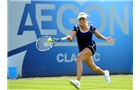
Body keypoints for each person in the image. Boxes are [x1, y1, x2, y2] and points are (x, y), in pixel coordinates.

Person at [66, 12, 115, 89]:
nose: (82, 20)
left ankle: (77, 81)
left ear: (86, 19)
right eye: (80, 19)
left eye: (83, 19)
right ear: (78, 20)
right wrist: (69, 38)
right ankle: (105, 73)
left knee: (78, 59)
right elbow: (71, 39)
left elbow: (98, 35)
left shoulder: (91, 27)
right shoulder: (76, 27)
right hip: (82, 49)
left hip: (91, 47)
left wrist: (106, 39)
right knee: (94, 68)